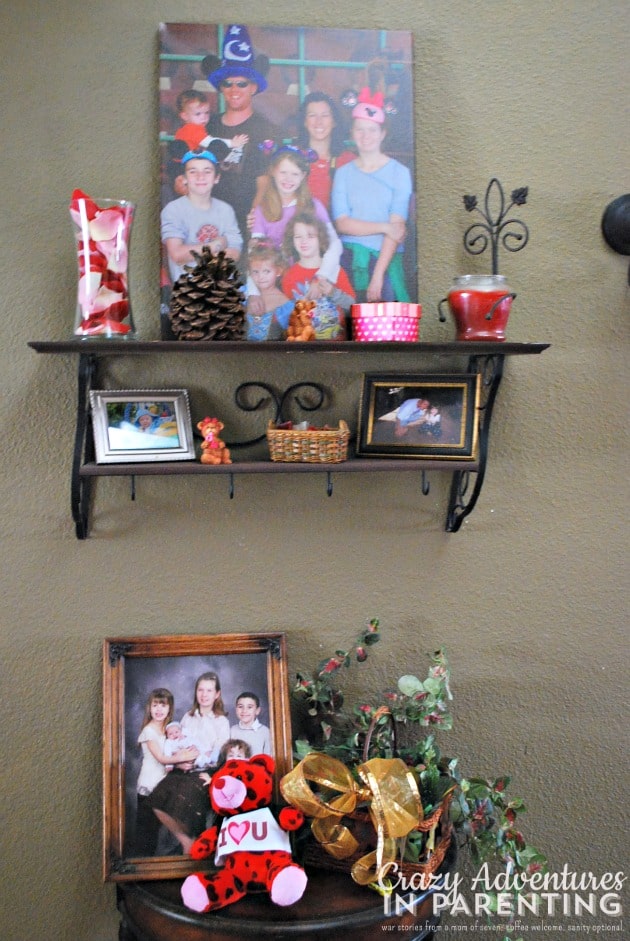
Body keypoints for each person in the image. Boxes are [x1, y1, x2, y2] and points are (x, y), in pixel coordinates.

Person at [331, 87, 412, 302]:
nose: (365, 136)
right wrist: (383, 227)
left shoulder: (400, 173)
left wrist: (377, 276)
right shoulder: (343, 173)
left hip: (385, 259)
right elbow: (342, 224)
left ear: (383, 133)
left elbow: (397, 228)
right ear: (352, 132)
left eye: (372, 130)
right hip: (348, 258)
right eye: (360, 129)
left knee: (384, 322)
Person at [201, 25, 279, 245]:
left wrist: (255, 214)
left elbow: (265, 178)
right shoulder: (208, 125)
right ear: (221, 87)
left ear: (253, 87)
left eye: (242, 84)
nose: (234, 90)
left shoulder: (267, 129)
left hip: (246, 221)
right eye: (228, 83)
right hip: (209, 220)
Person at [149, 671, 230, 854]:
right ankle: (186, 841)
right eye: (200, 690)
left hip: (205, 771)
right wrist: (179, 763)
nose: (204, 695)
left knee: (183, 798)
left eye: (209, 691)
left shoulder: (221, 721)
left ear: (217, 694)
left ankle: (193, 842)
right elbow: (177, 743)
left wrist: (196, 761)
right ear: (196, 692)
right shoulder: (188, 717)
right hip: (181, 767)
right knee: (156, 798)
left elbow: (219, 755)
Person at [250, 146, 343, 287]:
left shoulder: (313, 206)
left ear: (303, 176)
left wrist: (323, 274)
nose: (288, 179)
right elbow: (254, 252)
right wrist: (253, 292)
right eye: (283, 172)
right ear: (273, 171)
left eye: (295, 174)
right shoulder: (262, 209)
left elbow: (334, 243)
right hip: (273, 282)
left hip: (310, 278)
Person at [161, 147, 243, 285]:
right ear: (184, 178)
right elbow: (177, 255)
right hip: (188, 291)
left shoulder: (226, 210)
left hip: (220, 288)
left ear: (217, 178)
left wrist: (197, 255)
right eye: (193, 172)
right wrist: (216, 245)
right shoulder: (173, 210)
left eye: (207, 171)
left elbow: (235, 252)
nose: (200, 177)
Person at [134, 688, 199, 856]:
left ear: (170, 708)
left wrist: (184, 760)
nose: (159, 710)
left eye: (163, 706)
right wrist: (182, 757)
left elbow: (173, 755)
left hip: (164, 784)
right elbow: (162, 758)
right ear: (149, 707)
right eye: (155, 705)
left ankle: (186, 846)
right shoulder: (148, 731)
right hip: (148, 785)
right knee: (146, 835)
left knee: (165, 826)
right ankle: (141, 871)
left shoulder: (169, 730)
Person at [281, 211, 355, 339]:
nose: (304, 241)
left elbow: (352, 305)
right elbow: (287, 318)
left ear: (320, 239)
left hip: (336, 346)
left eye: (310, 236)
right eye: (298, 236)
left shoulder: (336, 270)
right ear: (291, 240)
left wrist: (333, 292)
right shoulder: (289, 276)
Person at [294, 91, 355, 209]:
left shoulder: (349, 161)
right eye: (312, 115)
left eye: (325, 115)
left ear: (334, 121)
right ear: (304, 122)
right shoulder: (291, 157)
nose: (319, 122)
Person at [173, 89, 249, 158]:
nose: (204, 117)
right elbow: (209, 142)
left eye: (207, 112)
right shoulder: (192, 129)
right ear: (184, 116)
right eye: (198, 114)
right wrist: (232, 143)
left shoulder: (184, 129)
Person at [245, 238, 293, 340]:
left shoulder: (285, 305)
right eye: (255, 272)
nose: (260, 277)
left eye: (266, 271)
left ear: (278, 271)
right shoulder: (245, 293)